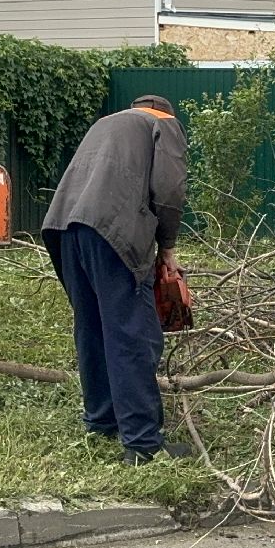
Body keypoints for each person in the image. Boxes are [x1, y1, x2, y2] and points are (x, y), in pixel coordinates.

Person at [42, 95, 190, 465]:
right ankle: (142, 444)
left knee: (92, 325)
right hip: (111, 230)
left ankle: (102, 421)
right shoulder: (163, 123)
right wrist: (167, 247)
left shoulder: (106, 123)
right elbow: (170, 190)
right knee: (132, 333)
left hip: (63, 227)